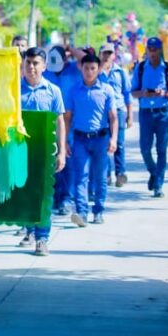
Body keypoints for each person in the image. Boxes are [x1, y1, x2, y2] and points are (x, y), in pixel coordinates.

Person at [17, 47, 67, 255]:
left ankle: (42, 238)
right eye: (28, 62)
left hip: (45, 151)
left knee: (45, 195)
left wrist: (62, 151)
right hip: (20, 151)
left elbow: (60, 121)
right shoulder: (14, 90)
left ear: (44, 66)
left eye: (36, 63)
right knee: (25, 193)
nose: (31, 67)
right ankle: (29, 229)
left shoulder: (53, 91)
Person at [63, 53, 118, 226]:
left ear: (99, 69)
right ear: (81, 68)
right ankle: (82, 213)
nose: (89, 71)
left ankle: (99, 211)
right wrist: (64, 141)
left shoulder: (106, 90)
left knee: (100, 177)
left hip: (101, 139)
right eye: (86, 68)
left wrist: (114, 139)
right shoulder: (74, 91)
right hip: (80, 139)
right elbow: (67, 118)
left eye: (93, 68)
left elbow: (113, 117)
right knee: (81, 177)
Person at [130, 36, 168, 198]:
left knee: (161, 150)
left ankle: (158, 185)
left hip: (163, 113)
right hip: (146, 113)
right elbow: (133, 92)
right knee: (145, 149)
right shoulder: (140, 68)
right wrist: (144, 93)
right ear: (147, 49)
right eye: (150, 49)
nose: (153, 52)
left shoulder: (167, 69)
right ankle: (153, 172)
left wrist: (165, 93)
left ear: (160, 49)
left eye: (155, 49)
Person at [98, 42, 131, 187]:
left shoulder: (120, 72)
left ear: (114, 55)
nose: (107, 56)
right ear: (100, 54)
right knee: (104, 142)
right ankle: (106, 174)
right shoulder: (96, 71)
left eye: (109, 53)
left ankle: (120, 173)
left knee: (119, 143)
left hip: (118, 110)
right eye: (104, 53)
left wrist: (129, 115)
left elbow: (127, 94)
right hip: (102, 111)